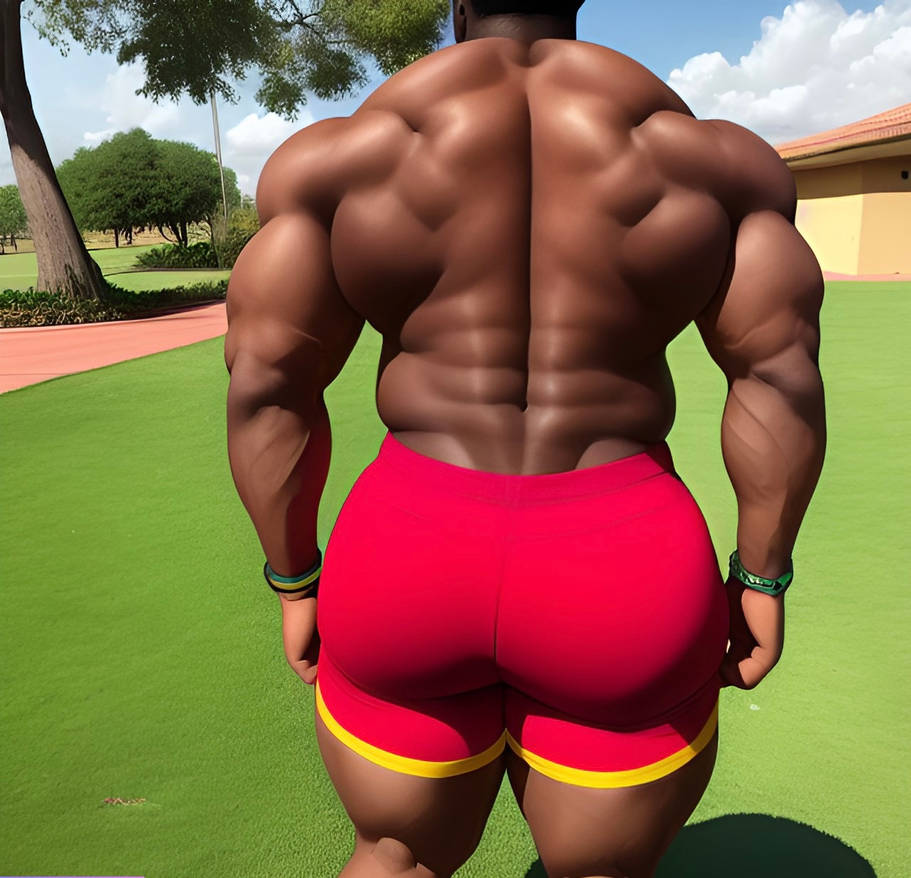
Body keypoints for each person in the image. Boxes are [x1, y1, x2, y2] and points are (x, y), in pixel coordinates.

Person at [223, 1, 827, 875]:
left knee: (394, 854)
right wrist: (761, 578)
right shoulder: (711, 161)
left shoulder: (343, 156)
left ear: (457, 8)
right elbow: (779, 377)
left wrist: (294, 580)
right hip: (622, 566)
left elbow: (267, 381)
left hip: (406, 553)